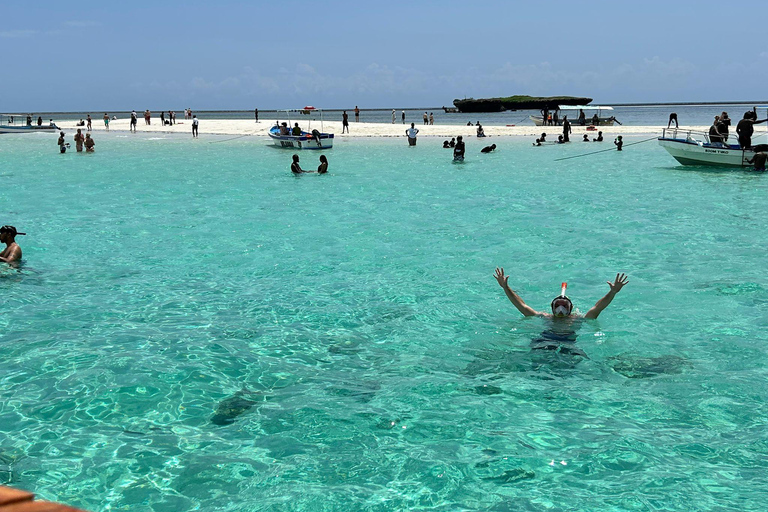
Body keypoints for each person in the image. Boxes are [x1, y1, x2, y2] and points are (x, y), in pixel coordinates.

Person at [493, 268, 629, 355]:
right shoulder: (545, 317)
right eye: (557, 305)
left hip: (569, 343)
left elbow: (598, 307)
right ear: (552, 308)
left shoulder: (578, 319)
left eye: (564, 305)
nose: (560, 309)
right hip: (544, 340)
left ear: (570, 309)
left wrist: (612, 292)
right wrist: (506, 287)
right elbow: (521, 306)